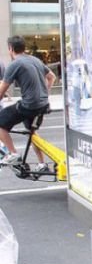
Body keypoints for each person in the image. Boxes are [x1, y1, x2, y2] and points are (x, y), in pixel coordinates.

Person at [0, 35, 56, 170]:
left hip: (29, 105)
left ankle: (13, 154)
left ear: (11, 48)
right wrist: (44, 93)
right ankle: (42, 164)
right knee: (32, 132)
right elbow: (52, 77)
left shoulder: (14, 64)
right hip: (43, 104)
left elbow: (2, 90)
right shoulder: (35, 60)